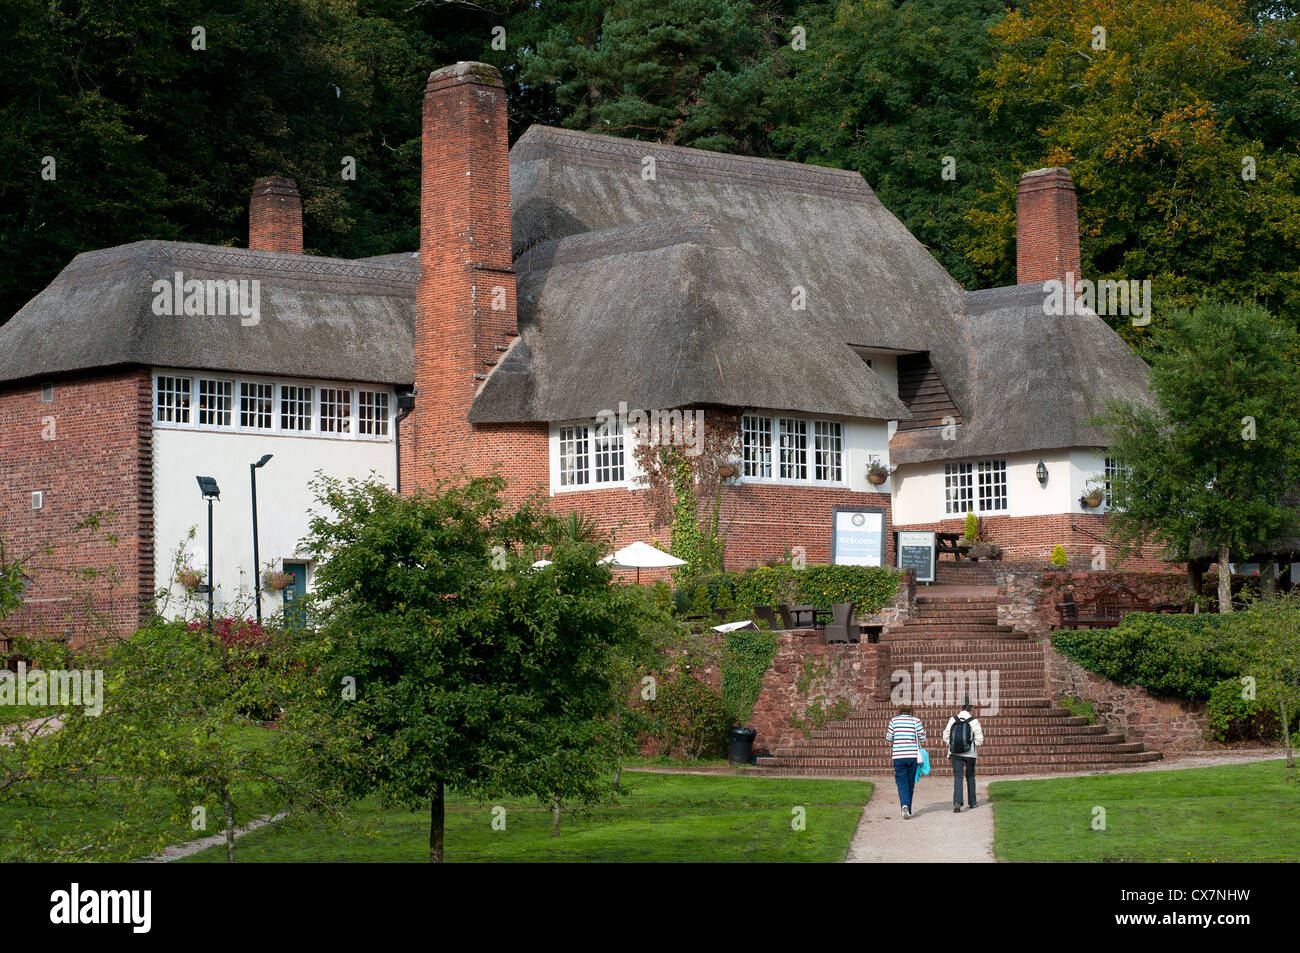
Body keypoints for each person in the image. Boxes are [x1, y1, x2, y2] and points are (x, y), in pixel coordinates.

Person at [942, 697, 985, 812]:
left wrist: (953, 745)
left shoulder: (953, 719)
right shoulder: (974, 721)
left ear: (960, 706)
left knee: (958, 777)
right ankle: (973, 802)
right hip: (970, 754)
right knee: (970, 776)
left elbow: (945, 736)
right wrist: (969, 745)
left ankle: (958, 802)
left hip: (955, 753)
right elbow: (980, 740)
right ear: (971, 707)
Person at [885, 704, 926, 819]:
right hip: (912, 755)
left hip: (898, 756)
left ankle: (904, 805)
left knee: (901, 782)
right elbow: (922, 738)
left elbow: (888, 738)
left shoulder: (894, 721)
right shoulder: (916, 721)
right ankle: (909, 809)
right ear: (911, 710)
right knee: (910, 782)